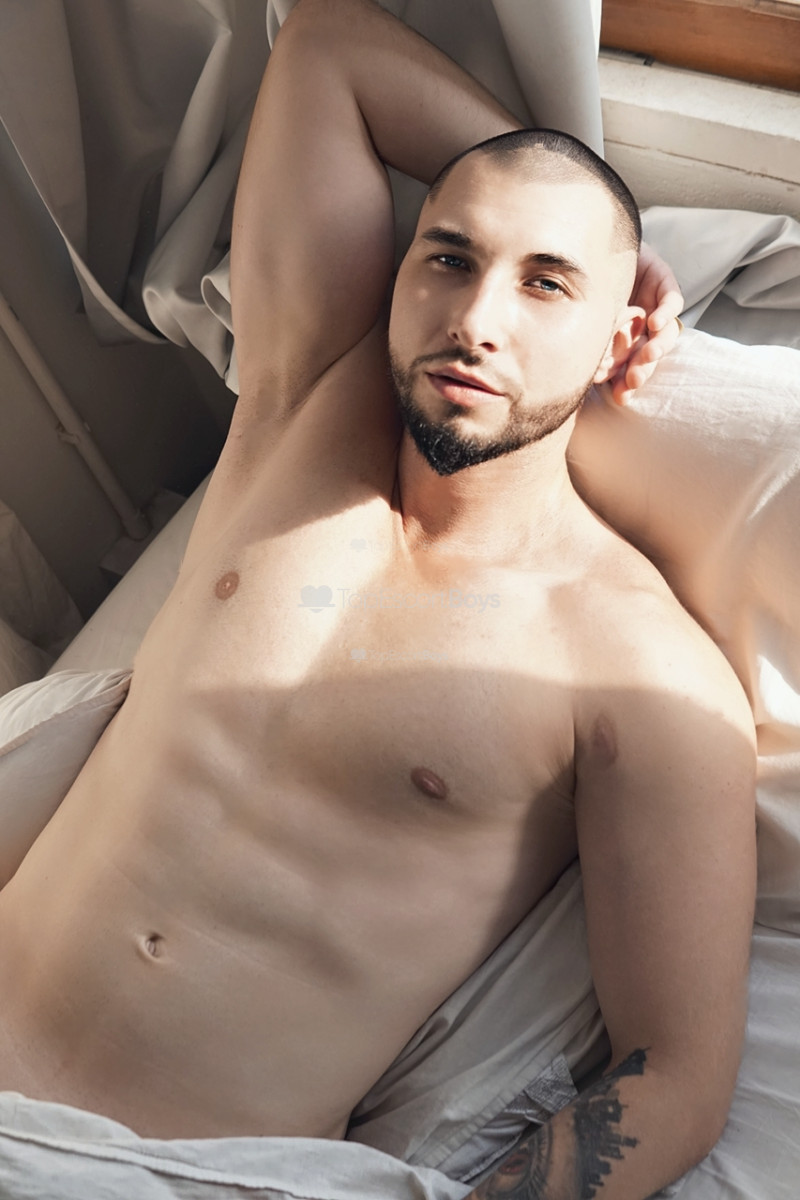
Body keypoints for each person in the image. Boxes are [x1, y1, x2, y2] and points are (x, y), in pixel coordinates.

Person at [0, 1, 757, 1197]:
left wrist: (600, 231)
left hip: (172, 1174)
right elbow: (328, 51)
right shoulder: (295, 419)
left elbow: (674, 1078)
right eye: (447, 257)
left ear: (618, 340)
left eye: (545, 285)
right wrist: (583, 211)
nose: (475, 320)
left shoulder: (637, 671)